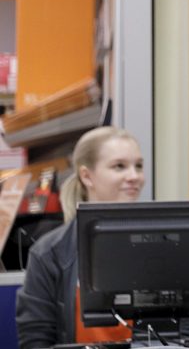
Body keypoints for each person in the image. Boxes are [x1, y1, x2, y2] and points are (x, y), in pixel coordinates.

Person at [16, 126, 144, 348]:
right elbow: (35, 340)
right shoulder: (49, 253)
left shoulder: (161, 243)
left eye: (139, 166)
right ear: (87, 176)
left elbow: (182, 328)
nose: (134, 176)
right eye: (119, 166)